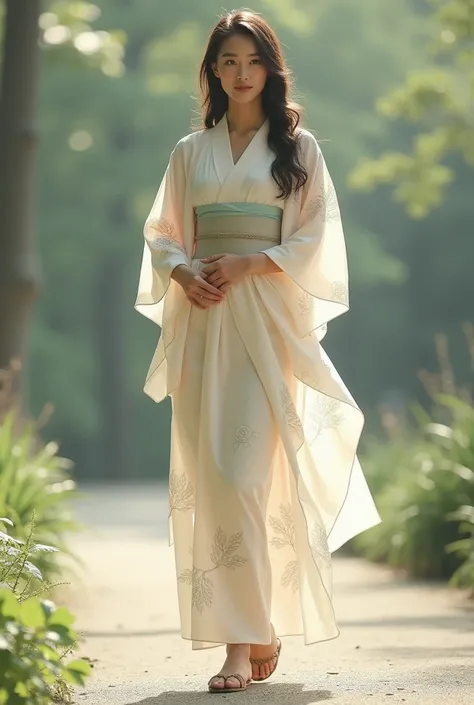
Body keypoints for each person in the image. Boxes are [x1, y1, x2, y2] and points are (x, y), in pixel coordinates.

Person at [135, 9, 381, 694]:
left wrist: (251, 263)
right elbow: (162, 232)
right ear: (213, 71)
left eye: (252, 61)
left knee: (246, 473)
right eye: (227, 62)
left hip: (266, 321)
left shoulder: (299, 151)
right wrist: (183, 270)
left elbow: (314, 238)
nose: (241, 74)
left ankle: (242, 646)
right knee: (214, 478)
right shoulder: (190, 152)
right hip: (203, 322)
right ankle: (252, 629)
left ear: (271, 68)